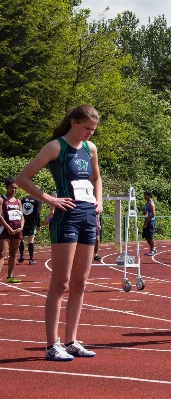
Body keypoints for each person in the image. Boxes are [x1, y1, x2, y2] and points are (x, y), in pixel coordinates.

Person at [16, 104, 102, 361]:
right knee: (61, 283)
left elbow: (96, 178)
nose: (90, 133)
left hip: (88, 216)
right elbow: (23, 178)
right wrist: (50, 200)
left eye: (93, 130)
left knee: (80, 283)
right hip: (67, 218)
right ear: (73, 123)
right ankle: (52, 344)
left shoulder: (91, 149)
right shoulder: (56, 147)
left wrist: (99, 200)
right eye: (87, 128)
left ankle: (72, 340)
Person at [0, 178, 25, 283]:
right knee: (2, 253)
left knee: (14, 253)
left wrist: (21, 227)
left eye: (16, 188)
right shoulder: (2, 199)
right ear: (7, 187)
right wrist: (8, 228)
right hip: (5, 229)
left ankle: (10, 276)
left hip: (17, 229)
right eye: (12, 187)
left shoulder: (18, 201)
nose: (14, 190)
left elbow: (22, 216)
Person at [19, 185, 42, 265]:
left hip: (22, 222)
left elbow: (20, 210)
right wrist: (38, 224)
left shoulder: (24, 198)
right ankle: (31, 259)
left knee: (21, 239)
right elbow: (37, 213)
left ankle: (21, 256)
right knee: (31, 241)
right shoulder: (38, 200)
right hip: (31, 223)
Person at [142, 191, 157, 256]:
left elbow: (153, 214)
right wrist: (144, 213)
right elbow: (147, 212)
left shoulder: (151, 203)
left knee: (150, 237)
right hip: (147, 221)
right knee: (147, 237)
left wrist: (147, 221)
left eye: (145, 195)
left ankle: (152, 250)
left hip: (150, 222)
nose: (144, 197)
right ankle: (153, 248)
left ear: (149, 196)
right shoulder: (147, 203)